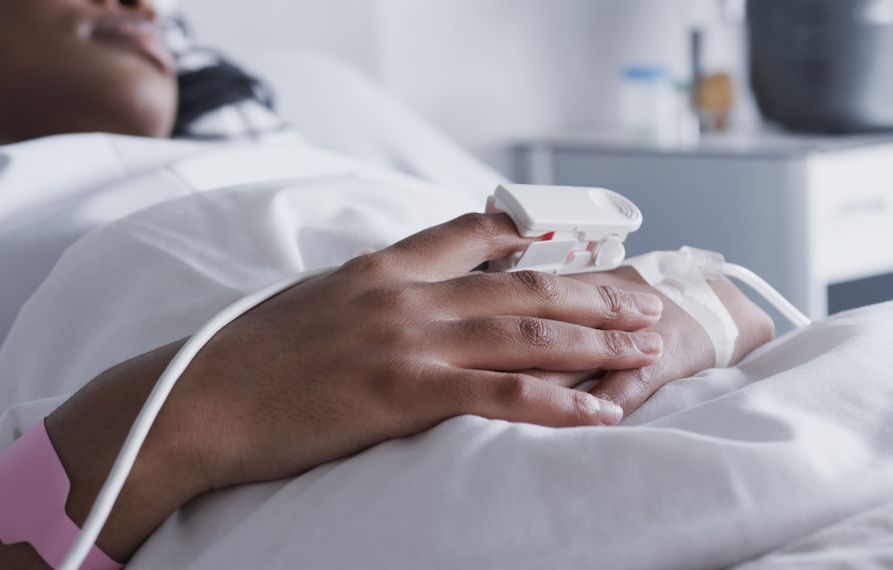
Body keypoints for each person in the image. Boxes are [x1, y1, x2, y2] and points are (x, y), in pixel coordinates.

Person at [0, 0, 775, 567]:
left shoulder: (325, 156)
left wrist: (678, 308)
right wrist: (207, 406)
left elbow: (744, 304)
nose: (145, 5)